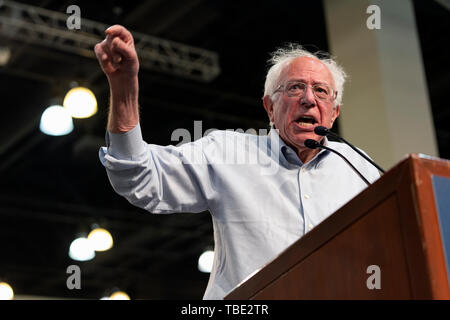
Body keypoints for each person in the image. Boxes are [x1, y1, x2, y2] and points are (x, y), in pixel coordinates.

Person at [95, 25, 380, 300]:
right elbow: (140, 177)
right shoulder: (228, 152)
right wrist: (124, 90)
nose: (308, 98)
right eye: (295, 87)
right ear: (270, 106)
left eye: (321, 91)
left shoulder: (359, 168)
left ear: (333, 113)